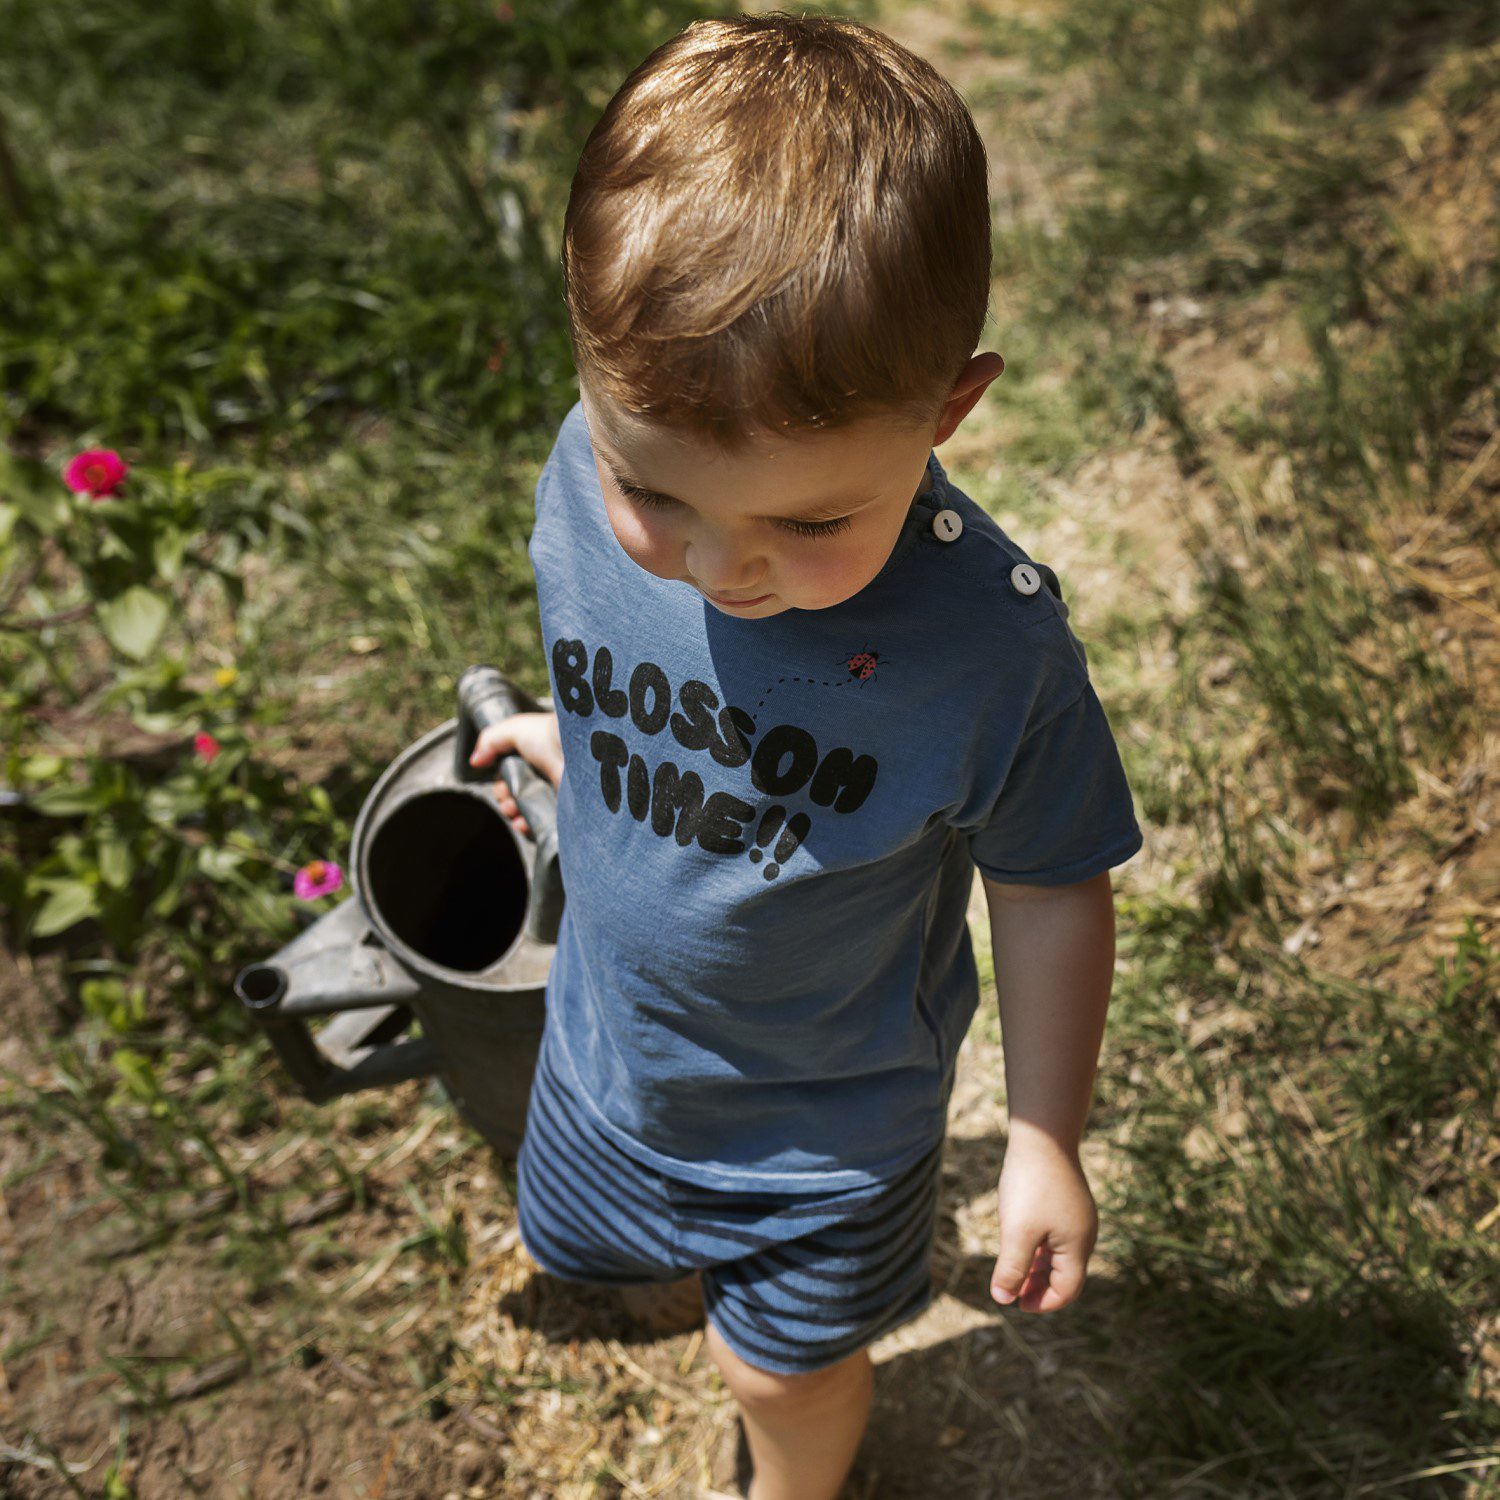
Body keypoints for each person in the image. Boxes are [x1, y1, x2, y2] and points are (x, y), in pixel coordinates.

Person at [467, 14, 1144, 1499]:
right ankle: (671, 1257)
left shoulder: (989, 654)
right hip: (607, 1048)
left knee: (774, 1364)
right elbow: (641, 676)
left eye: (814, 522)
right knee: (583, 1238)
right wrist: (582, 747)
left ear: (952, 408)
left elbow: (1048, 887)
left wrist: (1043, 1136)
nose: (725, 571)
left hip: (824, 1127)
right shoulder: (586, 484)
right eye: (656, 492)